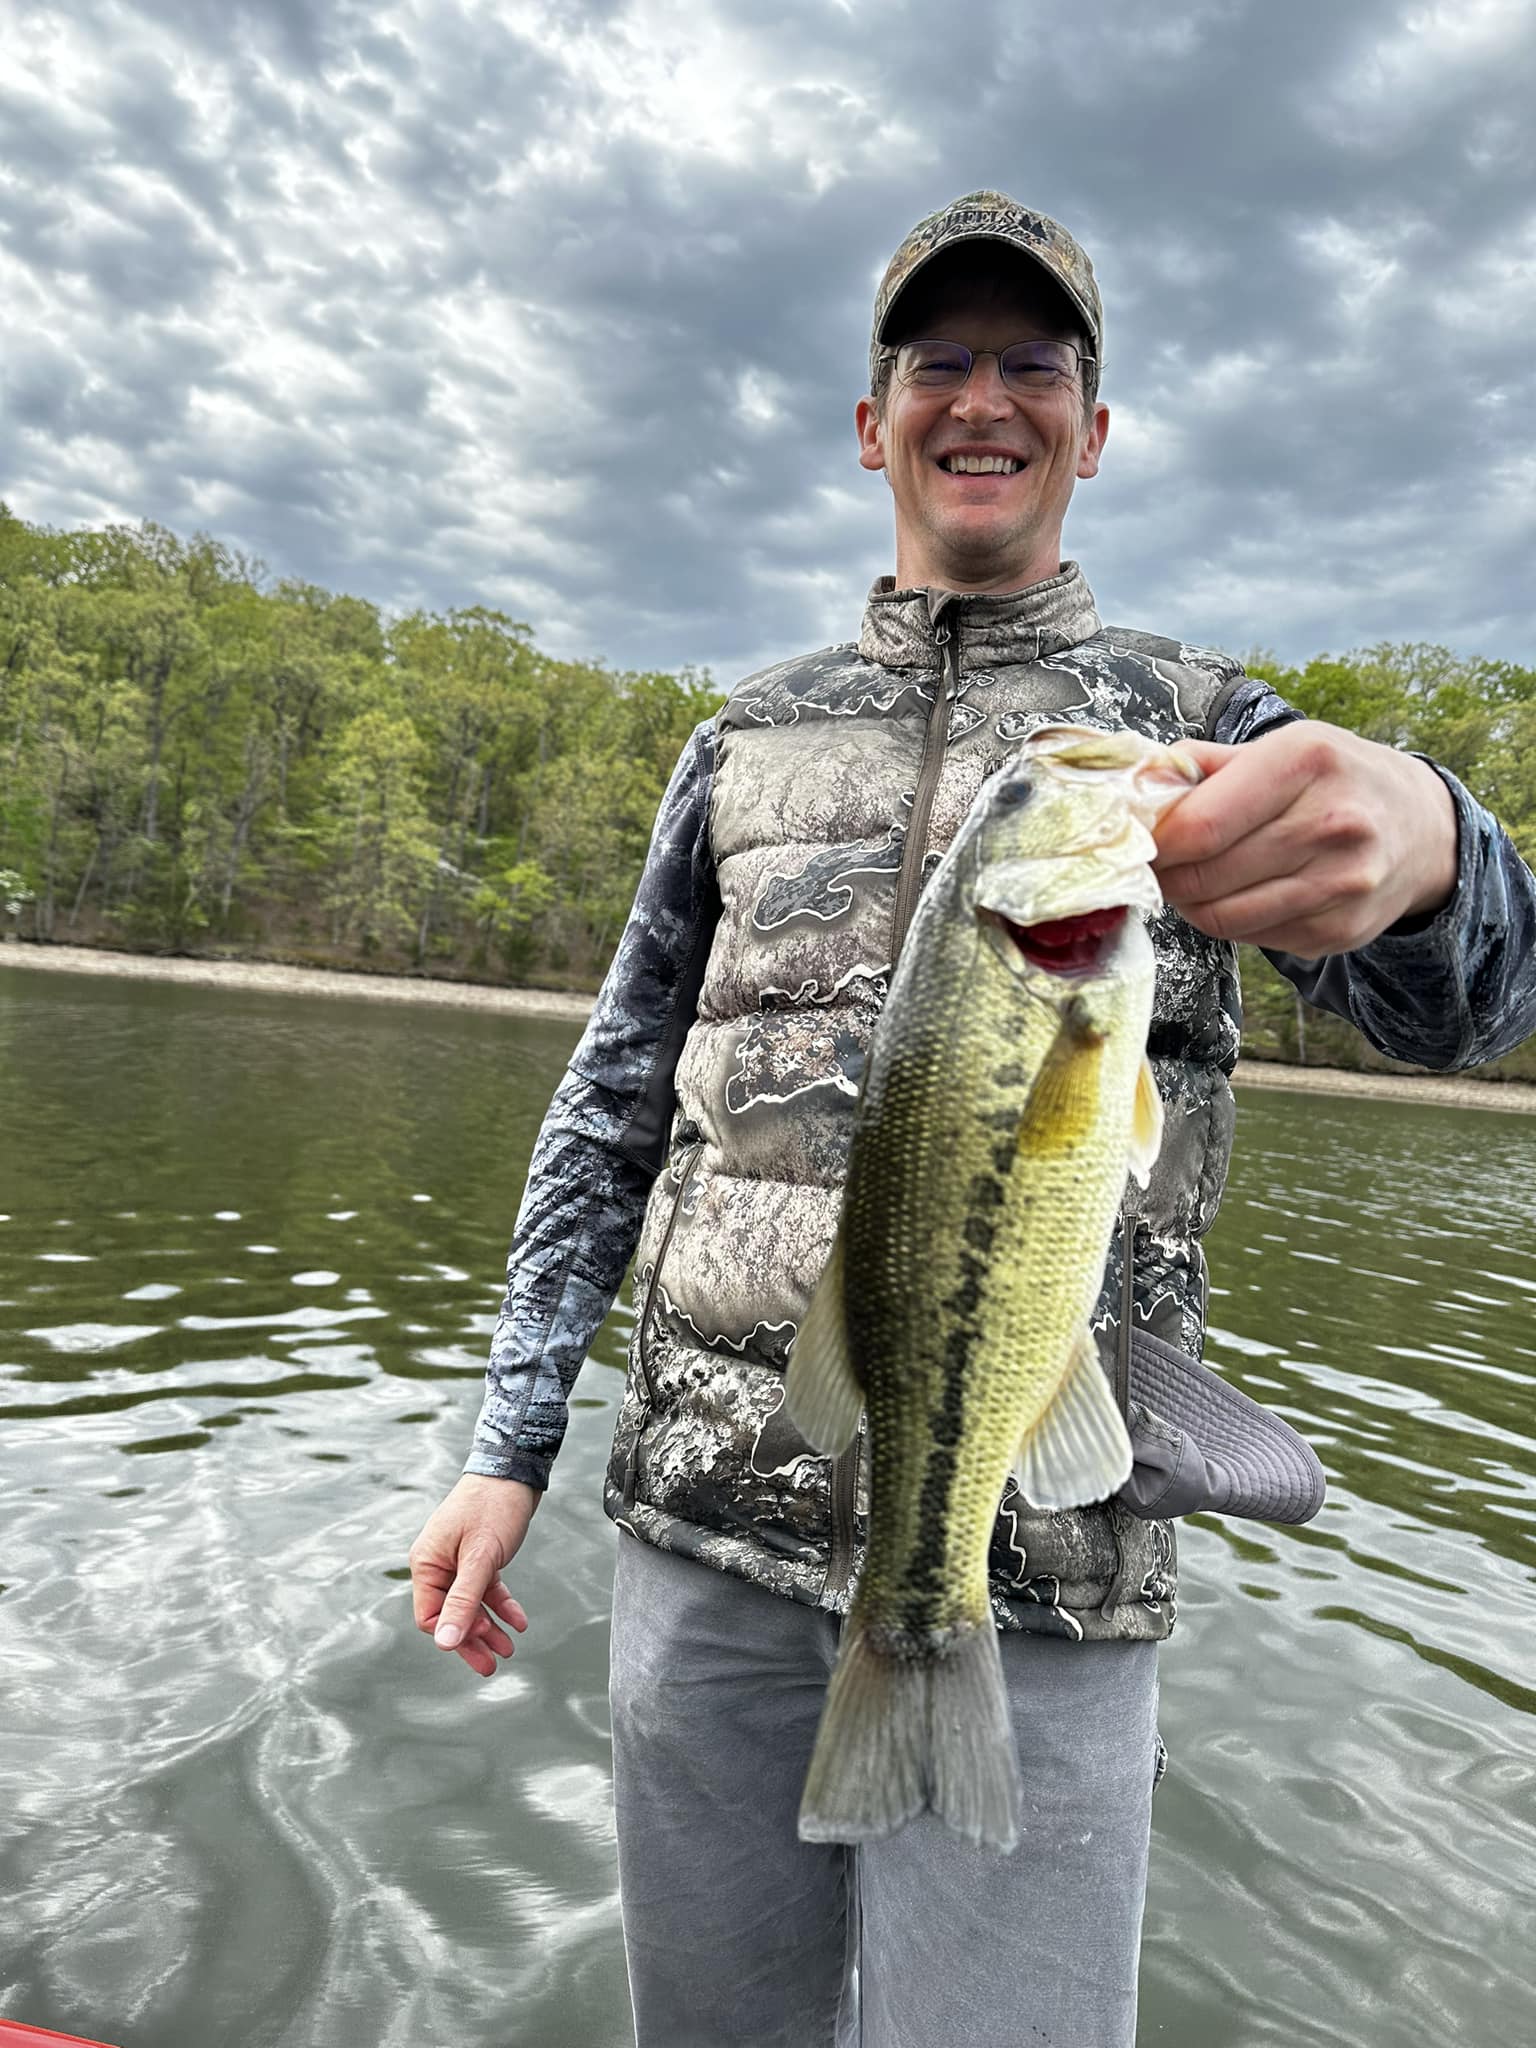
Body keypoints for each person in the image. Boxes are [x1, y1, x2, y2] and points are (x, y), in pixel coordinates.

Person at [408, 191, 1536, 2046]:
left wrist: (1428, 845)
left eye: (1036, 364)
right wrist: (508, 1438)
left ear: (1095, 430)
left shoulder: (1197, 734)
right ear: (875, 421)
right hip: (705, 1537)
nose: (984, 397)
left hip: (1050, 1578)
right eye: (940, 360)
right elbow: (614, 1105)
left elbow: (1474, 1004)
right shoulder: (743, 741)